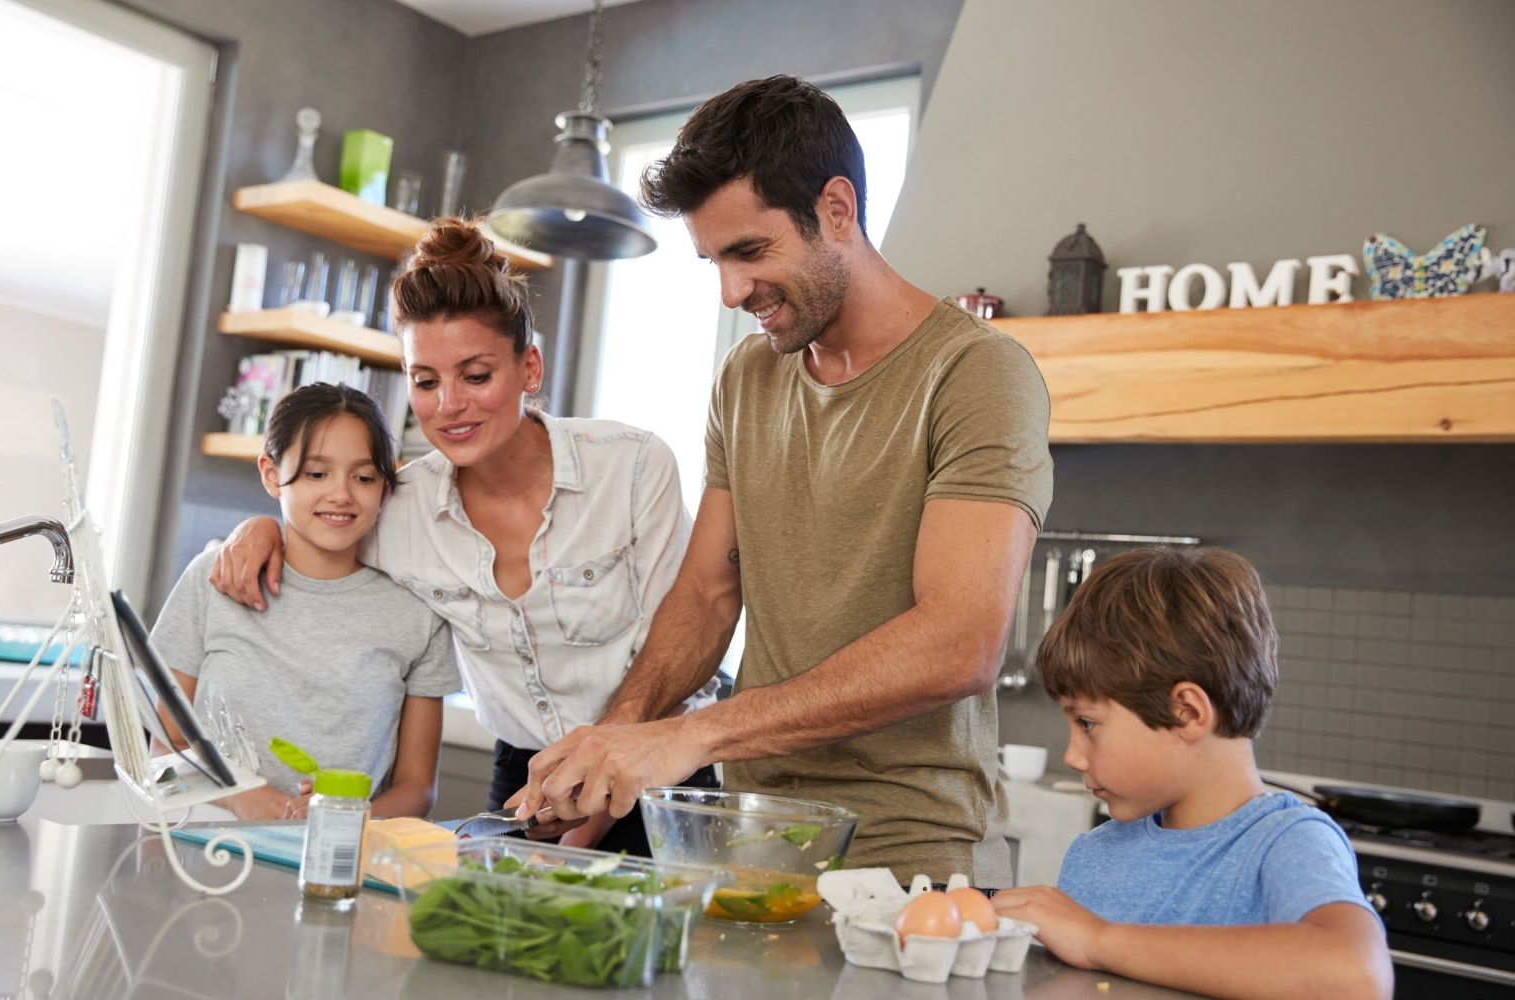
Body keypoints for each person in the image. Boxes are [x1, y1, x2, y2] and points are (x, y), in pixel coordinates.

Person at [517, 75, 1053, 888]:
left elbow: (961, 641)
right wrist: (617, 742)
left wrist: (694, 737)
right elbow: (705, 595)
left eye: (750, 251)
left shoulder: (976, 373)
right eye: (714, 261)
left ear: (836, 211)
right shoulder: (747, 377)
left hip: (907, 859)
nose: (732, 292)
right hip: (754, 840)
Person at [209, 218, 718, 852]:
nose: (449, 405)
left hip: (659, 776)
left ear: (528, 367)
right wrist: (258, 527)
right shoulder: (401, 508)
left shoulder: (633, 467)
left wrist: (584, 826)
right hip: (524, 787)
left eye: (475, 376)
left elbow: (679, 643)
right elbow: (321, 528)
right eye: (425, 381)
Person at [991, 548, 1392, 999]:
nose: (1073, 756)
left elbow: (1357, 975)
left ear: (1186, 712)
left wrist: (1098, 940)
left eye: (1088, 724)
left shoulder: (1285, 844)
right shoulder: (1094, 854)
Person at [152, 383, 456, 820]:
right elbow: (163, 756)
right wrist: (240, 795)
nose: (341, 494)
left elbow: (417, 788)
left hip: (337, 865)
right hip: (205, 859)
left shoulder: (419, 612)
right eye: (317, 473)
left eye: (365, 477)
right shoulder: (214, 579)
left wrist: (347, 817)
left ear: (386, 488)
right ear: (271, 474)